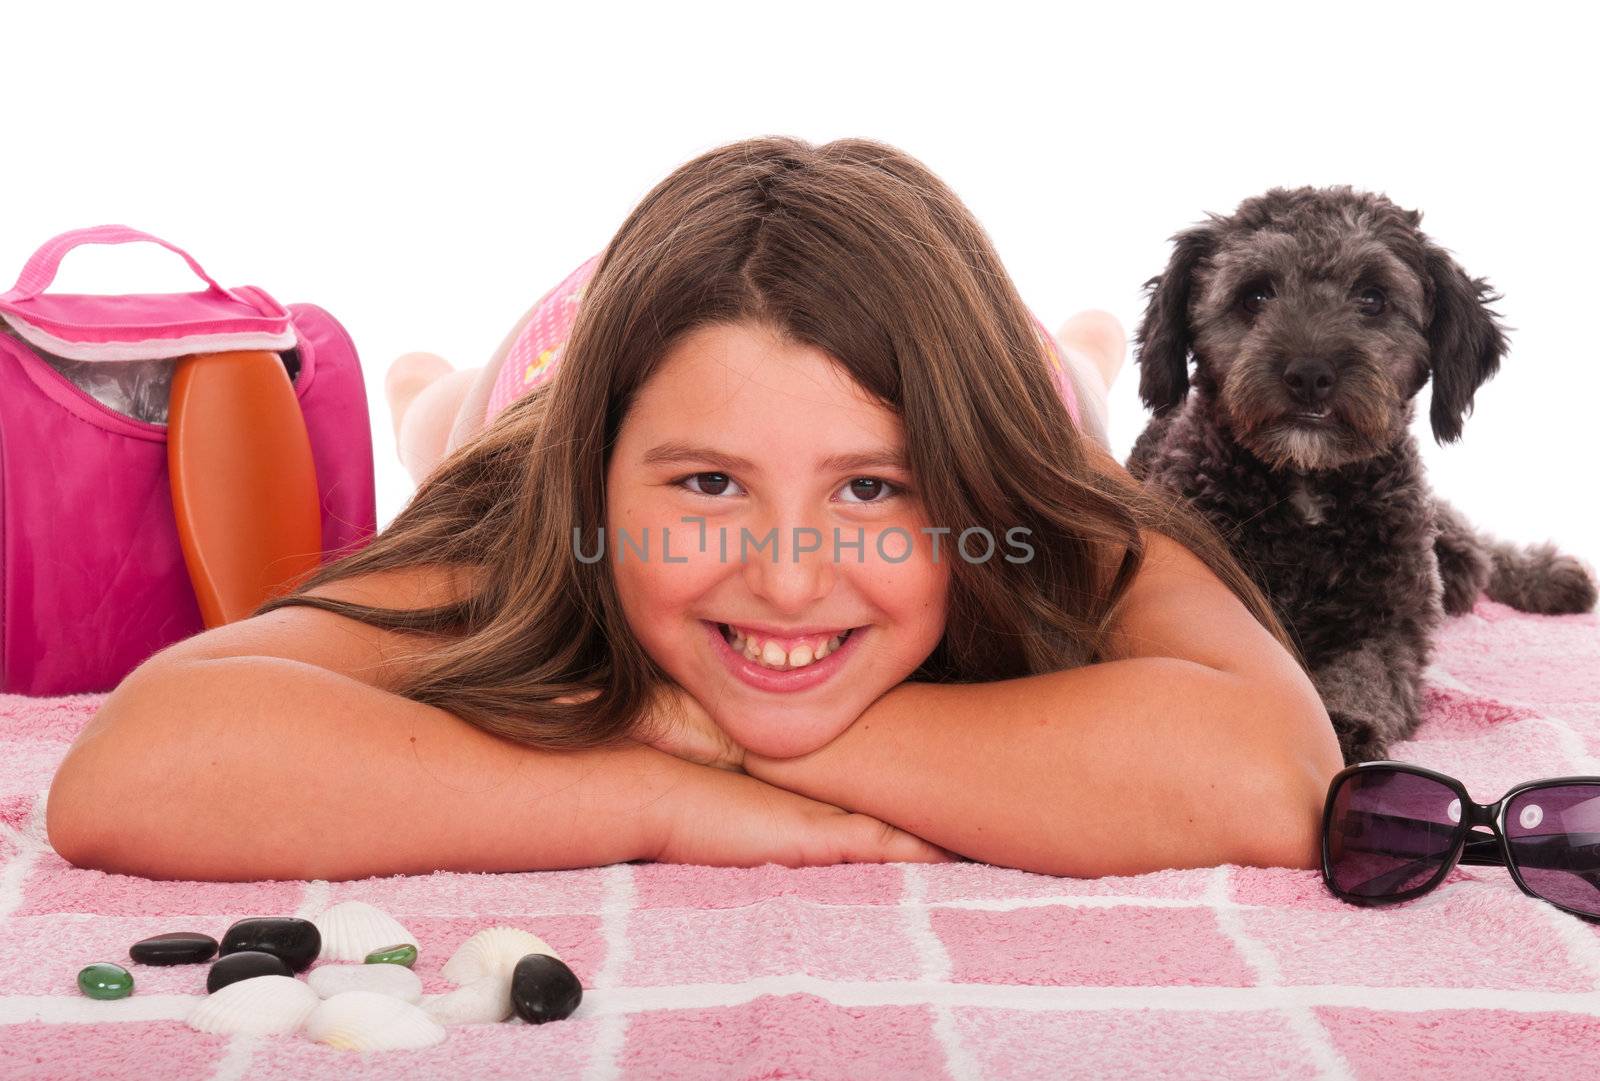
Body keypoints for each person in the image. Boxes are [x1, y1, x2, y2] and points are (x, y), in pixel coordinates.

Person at [46, 136, 1344, 884]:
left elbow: (1277, 775)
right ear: (600, 483)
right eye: (710, 485)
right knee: (452, 433)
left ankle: (1084, 346)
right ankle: (430, 394)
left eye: (874, 488)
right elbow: (136, 766)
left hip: (1014, 372)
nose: (788, 583)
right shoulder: (537, 505)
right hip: (551, 362)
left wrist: (710, 726)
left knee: (1073, 381)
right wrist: (649, 791)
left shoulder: (1042, 501)